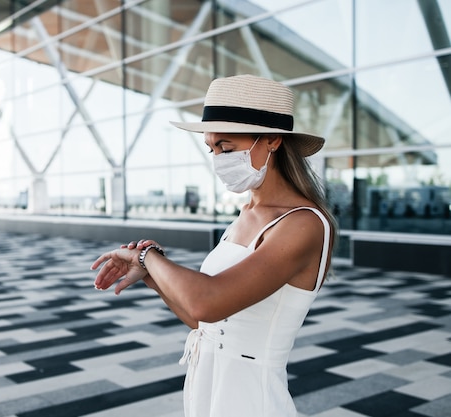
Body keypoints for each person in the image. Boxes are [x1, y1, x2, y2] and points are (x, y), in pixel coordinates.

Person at [91, 74, 336, 417]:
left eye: (226, 146)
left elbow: (207, 301)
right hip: (208, 388)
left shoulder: (303, 223)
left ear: (272, 140)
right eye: (211, 148)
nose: (217, 158)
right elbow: (202, 322)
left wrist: (146, 255)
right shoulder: (246, 215)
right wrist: (151, 273)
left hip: (251, 398)